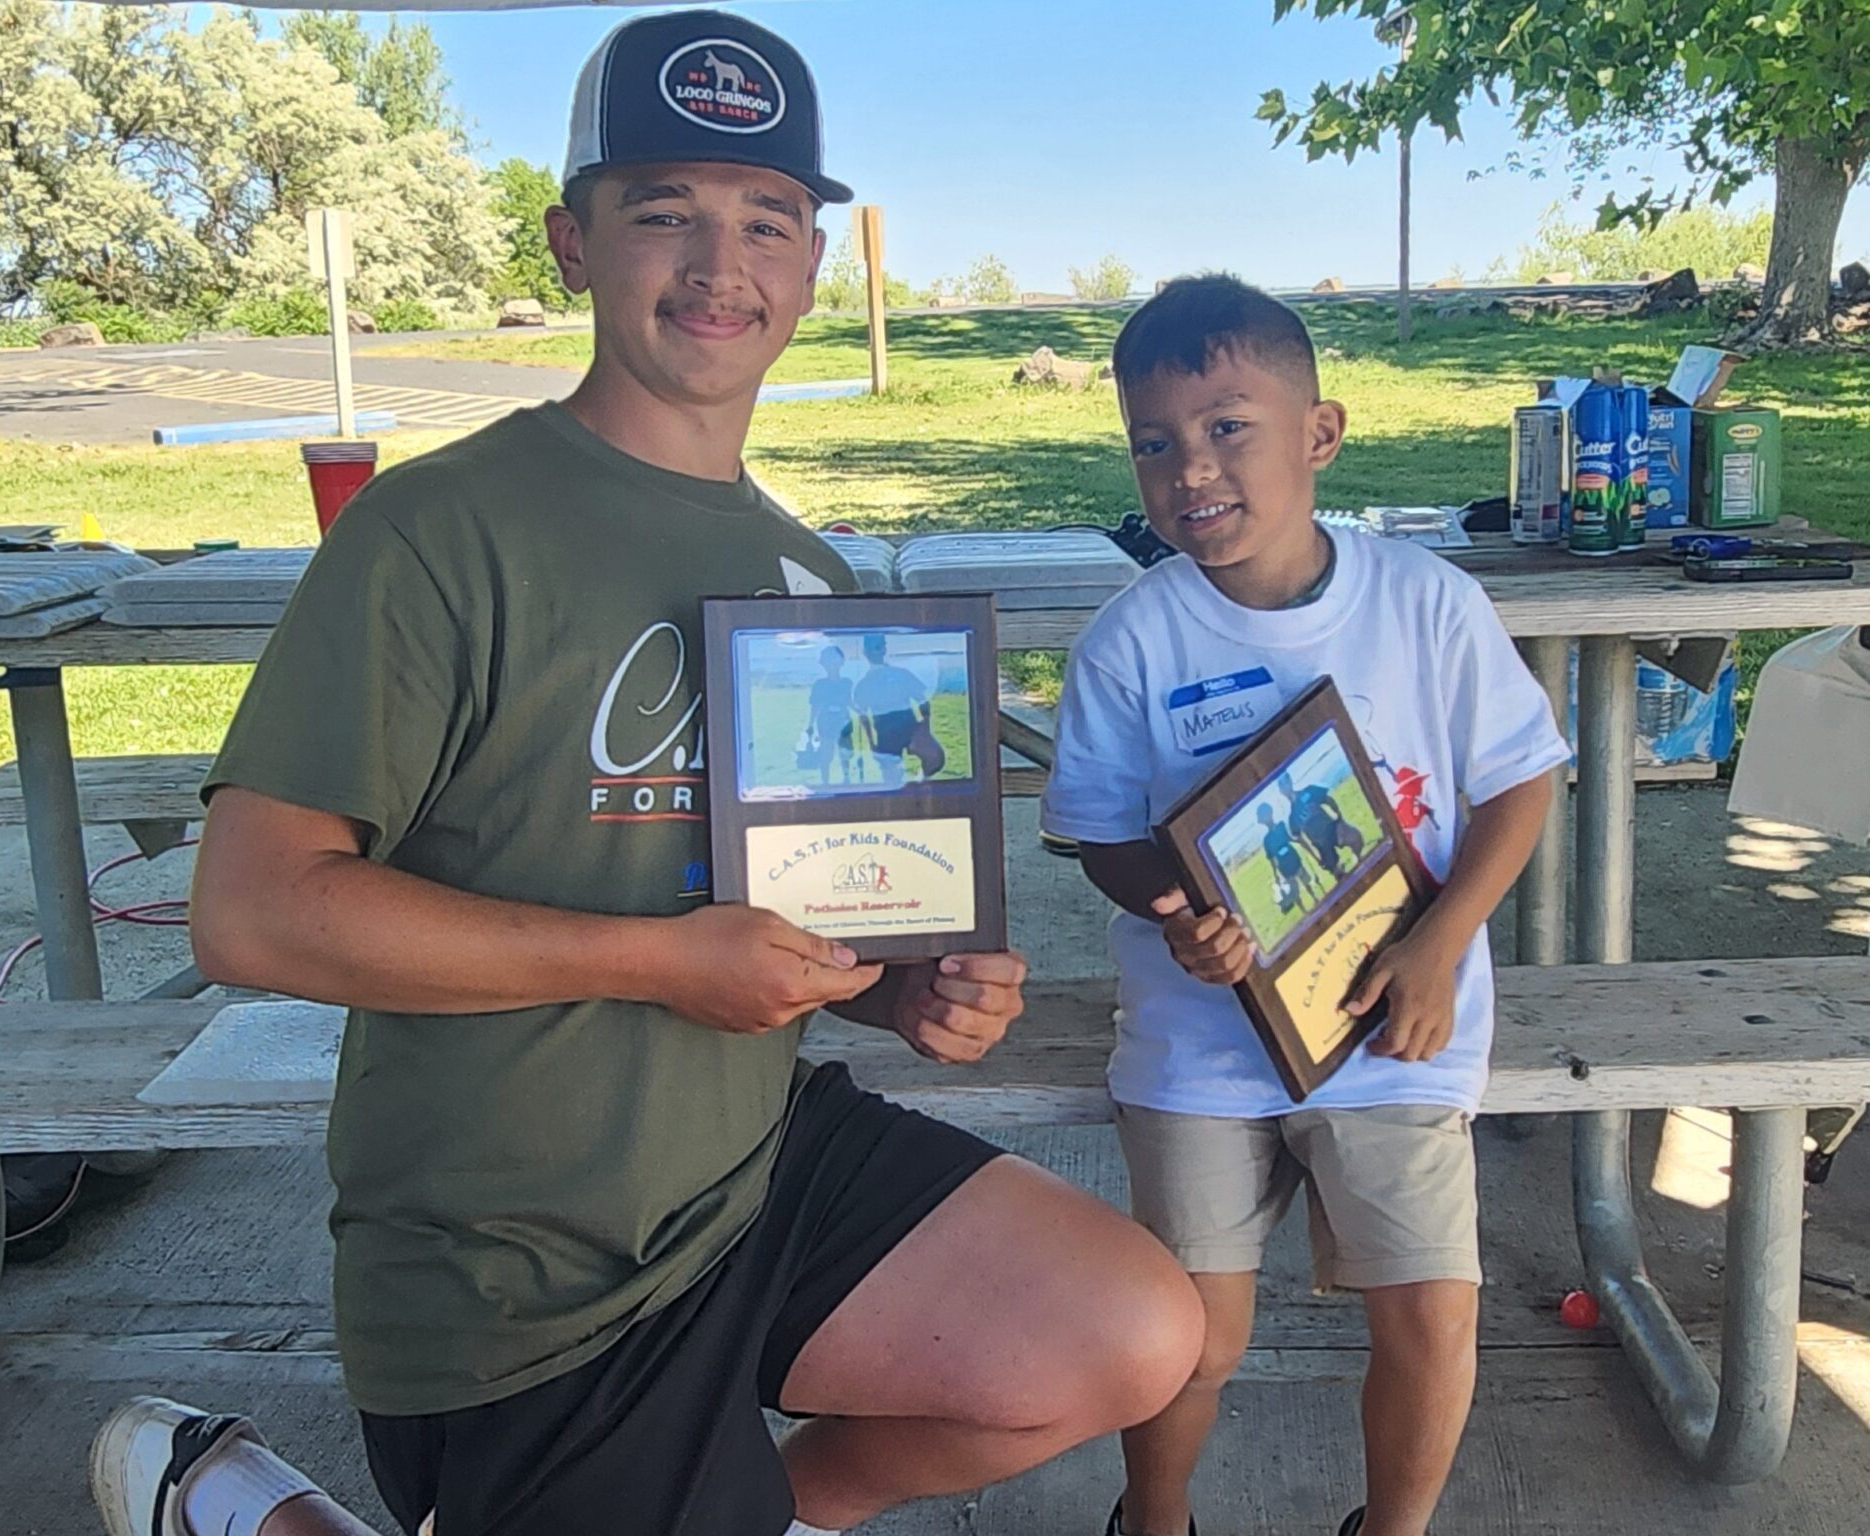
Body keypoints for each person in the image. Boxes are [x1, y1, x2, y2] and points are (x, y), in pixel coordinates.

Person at [90, 14, 1201, 1536]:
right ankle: (239, 1504)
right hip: (510, 1268)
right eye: (663, 210)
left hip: (751, 1174)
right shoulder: (438, 530)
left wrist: (883, 989)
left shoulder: (806, 575)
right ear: (571, 241)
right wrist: (659, 964)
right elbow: (254, 914)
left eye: (766, 221)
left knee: (1127, 1329)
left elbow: (775, 914)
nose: (719, 264)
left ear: (815, 261)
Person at [1040, 274, 1568, 1536]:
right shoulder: (1132, 639)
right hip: (1201, 1048)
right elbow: (1100, 835)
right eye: (1154, 443)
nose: (1190, 470)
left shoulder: (1421, 602)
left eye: (1229, 428)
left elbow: (1520, 779)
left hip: (1392, 1034)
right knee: (1191, 1335)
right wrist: (1176, 907)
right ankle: (1152, 1519)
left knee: (1433, 1313)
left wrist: (1440, 945)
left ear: (1318, 435)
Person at [852, 632, 945, 786]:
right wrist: (871, 743)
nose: (876, 651)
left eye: (879, 646)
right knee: (891, 779)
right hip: (885, 733)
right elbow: (863, 716)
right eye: (872, 647)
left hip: (909, 726)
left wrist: (924, 730)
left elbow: (923, 700)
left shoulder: (901, 674)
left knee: (935, 758)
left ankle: (921, 784)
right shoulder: (863, 685)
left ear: (884, 649)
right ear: (865, 652)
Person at [1283, 769, 1369, 878]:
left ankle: (1358, 860)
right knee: (1339, 875)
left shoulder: (1308, 791)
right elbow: (1301, 840)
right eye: (1282, 785)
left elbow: (1328, 800)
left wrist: (1341, 821)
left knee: (1356, 838)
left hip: (1331, 829)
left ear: (1290, 781)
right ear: (1281, 791)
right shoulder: (1292, 817)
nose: (1285, 786)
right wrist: (1316, 857)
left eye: (1286, 781)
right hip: (1321, 844)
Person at [1256, 799, 1320, 918]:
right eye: (1264, 817)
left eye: (1267, 814)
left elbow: (1291, 838)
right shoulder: (1267, 840)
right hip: (1284, 866)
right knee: (1293, 888)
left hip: (1293, 857)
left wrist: (1299, 840)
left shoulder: (1281, 826)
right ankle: (1304, 911)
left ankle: (1315, 898)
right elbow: (1271, 858)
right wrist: (1276, 875)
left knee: (1305, 879)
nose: (1267, 818)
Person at [805, 644, 857, 786]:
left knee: (844, 752)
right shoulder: (820, 684)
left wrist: (860, 711)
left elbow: (849, 702)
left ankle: (846, 779)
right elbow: (815, 706)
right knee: (826, 751)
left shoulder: (846, 683)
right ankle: (825, 781)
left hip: (843, 719)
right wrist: (810, 725)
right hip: (826, 721)